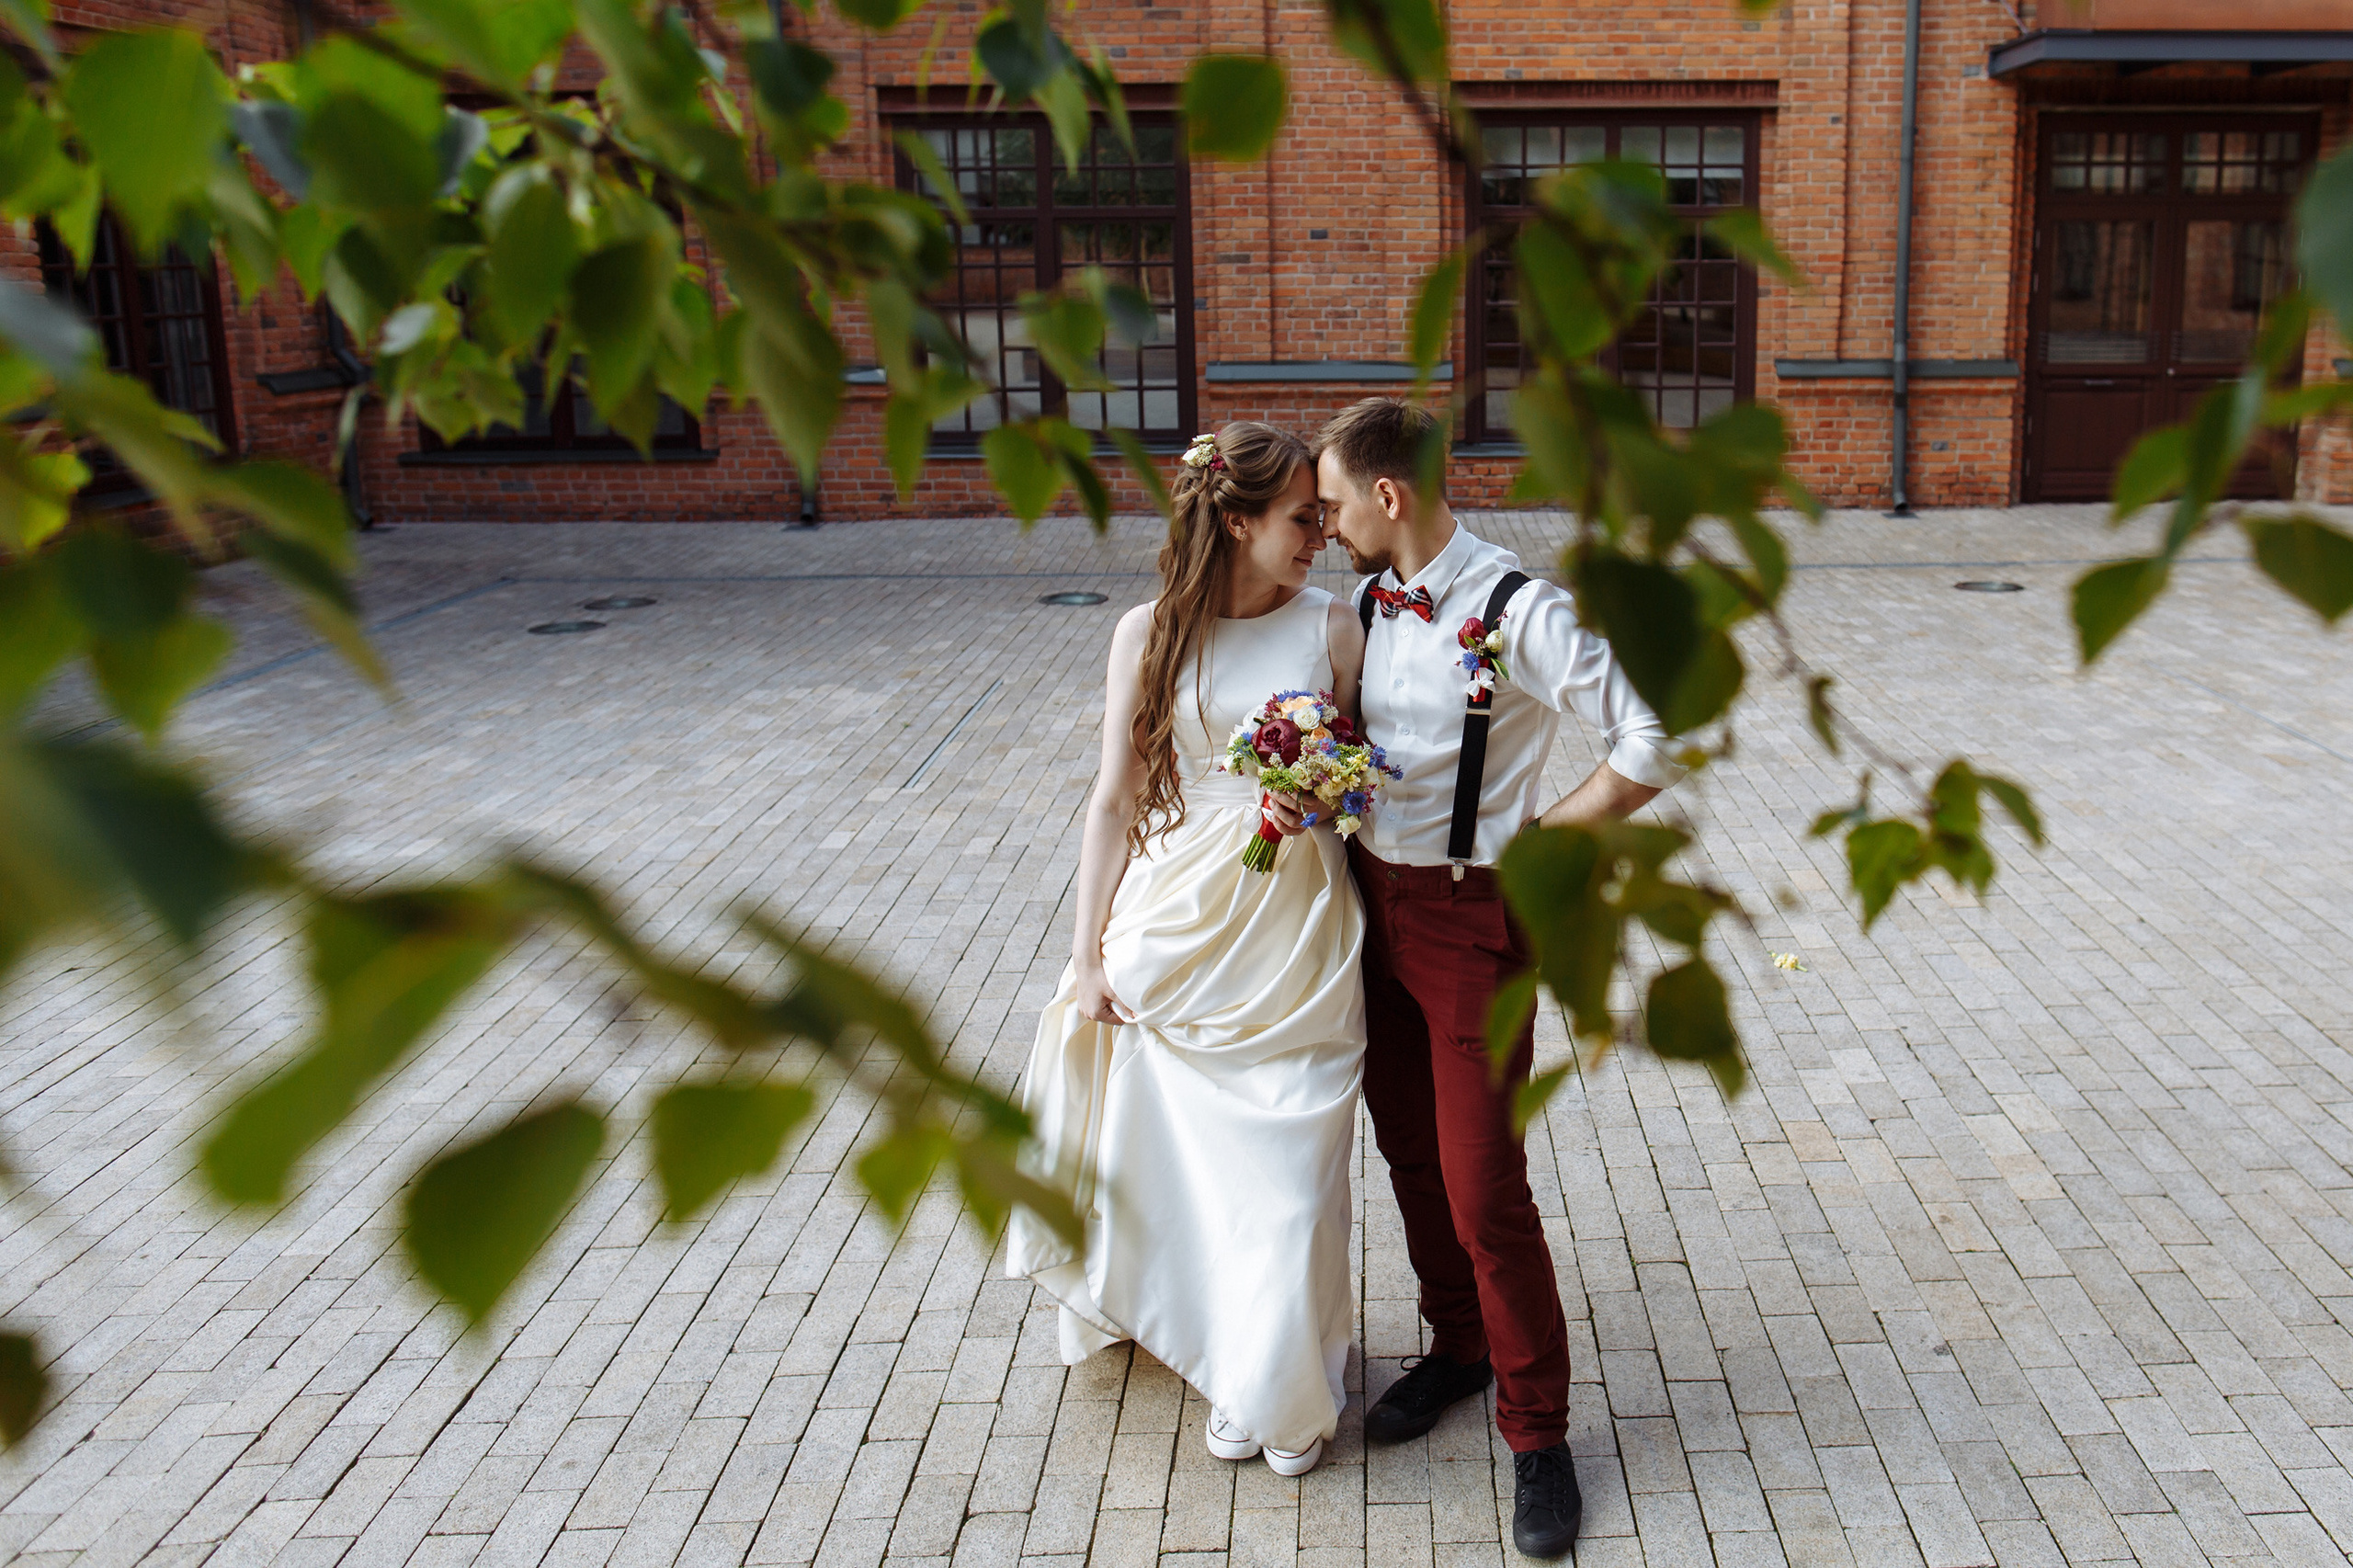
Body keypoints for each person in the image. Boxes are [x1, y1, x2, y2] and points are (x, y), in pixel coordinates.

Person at [1306, 397, 1684, 1559]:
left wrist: (1545, 837)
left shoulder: (1519, 609)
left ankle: (1537, 1431)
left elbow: (1652, 736)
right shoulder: (1366, 601)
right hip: (1370, 902)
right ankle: (1459, 1345)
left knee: (1485, 1188)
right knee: (1408, 1151)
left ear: (1387, 495)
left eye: (1331, 504)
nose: (1325, 527)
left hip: (1472, 922)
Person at [1006, 420, 1369, 1477]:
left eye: (1324, 516)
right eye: (1302, 518)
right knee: (1197, 1163)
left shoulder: (1335, 628)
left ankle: (1279, 1383)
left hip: (1294, 929)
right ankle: (1228, 1360)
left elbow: (1362, 781)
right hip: (1176, 923)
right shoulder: (1147, 631)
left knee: (1292, 1172)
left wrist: (1321, 800)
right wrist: (1087, 956)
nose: (1321, 535)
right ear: (1238, 520)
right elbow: (1113, 799)